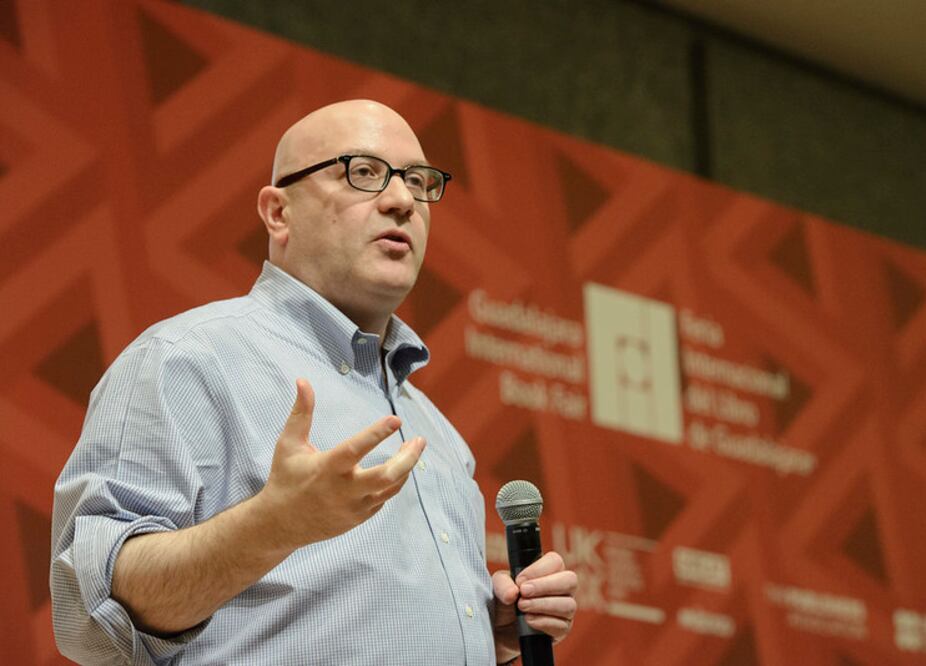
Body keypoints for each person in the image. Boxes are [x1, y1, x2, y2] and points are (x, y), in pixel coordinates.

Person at [51, 99, 577, 665]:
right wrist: (272, 527)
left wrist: (481, 630)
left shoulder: (438, 432)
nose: (402, 201)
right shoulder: (186, 359)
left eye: (419, 182)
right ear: (279, 213)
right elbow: (88, 617)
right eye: (364, 173)